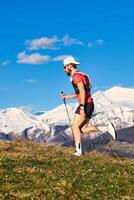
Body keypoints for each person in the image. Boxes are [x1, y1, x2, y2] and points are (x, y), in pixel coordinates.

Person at [61, 56, 117, 156]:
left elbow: (82, 91)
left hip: (85, 104)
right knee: (82, 129)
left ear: (69, 66)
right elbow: (81, 92)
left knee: (75, 127)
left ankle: (78, 151)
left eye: (64, 67)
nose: (64, 69)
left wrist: (82, 107)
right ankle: (106, 128)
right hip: (88, 104)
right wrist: (67, 97)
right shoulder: (82, 75)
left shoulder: (76, 77)